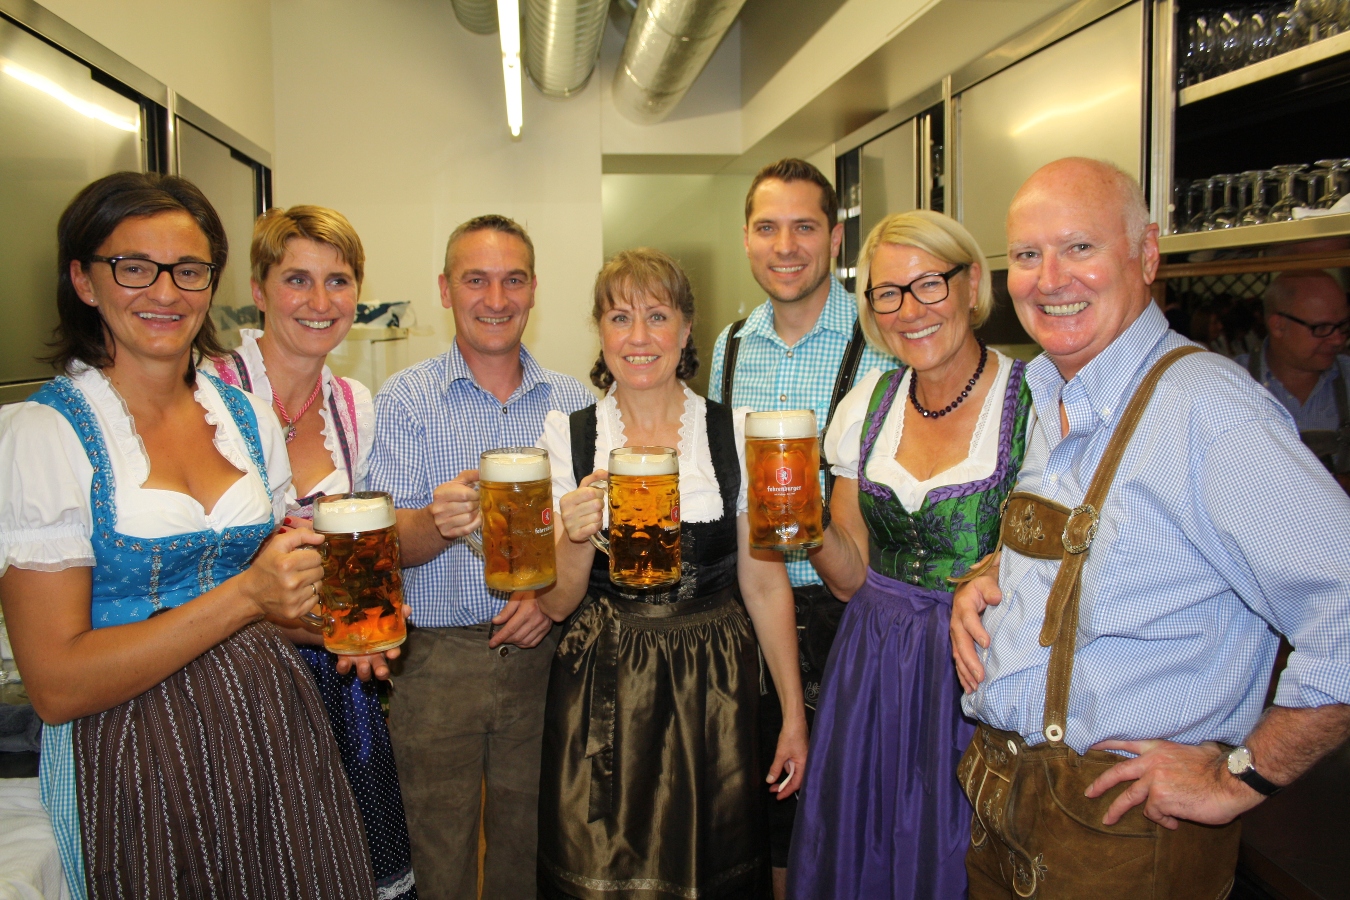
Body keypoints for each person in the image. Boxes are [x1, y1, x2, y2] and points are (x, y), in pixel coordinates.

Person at [950, 158, 1350, 899]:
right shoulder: (1055, 388)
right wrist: (991, 577)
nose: (1049, 279)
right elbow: (1120, 550)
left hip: (1122, 837)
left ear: (1146, 254)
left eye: (1079, 247)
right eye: (1028, 254)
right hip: (1009, 808)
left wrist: (1240, 775)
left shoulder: (1209, 411)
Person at [0, 172, 376, 899]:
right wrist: (248, 596)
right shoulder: (44, 436)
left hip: (271, 722)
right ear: (83, 280)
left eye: (189, 270)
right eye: (133, 267)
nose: (166, 292)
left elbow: (274, 602)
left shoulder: (245, 419)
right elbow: (55, 685)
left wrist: (344, 627)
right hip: (133, 750)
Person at [535, 247, 808, 899]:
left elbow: (764, 584)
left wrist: (793, 714)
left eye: (657, 316)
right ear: (600, 331)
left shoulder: (733, 432)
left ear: (686, 330)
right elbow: (556, 604)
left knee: (711, 865)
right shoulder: (569, 436)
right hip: (603, 686)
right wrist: (576, 537)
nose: (639, 337)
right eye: (620, 317)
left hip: (716, 686)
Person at [787, 210, 1030, 899]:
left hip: (977, 669)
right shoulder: (867, 404)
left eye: (929, 284)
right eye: (888, 293)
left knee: (957, 857)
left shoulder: (1038, 401)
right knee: (862, 846)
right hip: (873, 664)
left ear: (972, 284)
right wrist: (805, 525)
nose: (910, 311)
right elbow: (849, 578)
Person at [368, 214, 592, 900]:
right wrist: (434, 523)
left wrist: (547, 602)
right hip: (434, 664)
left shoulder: (576, 402)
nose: (496, 298)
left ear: (534, 290)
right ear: (445, 290)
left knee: (534, 853)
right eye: (476, 280)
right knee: (439, 855)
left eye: (513, 280)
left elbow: (594, 532)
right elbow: (384, 545)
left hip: (546, 658)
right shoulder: (405, 399)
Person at [207, 205, 416, 900]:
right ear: (259, 290)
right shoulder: (206, 391)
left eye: (339, 281)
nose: (321, 301)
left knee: (344, 865)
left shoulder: (353, 405)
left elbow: (364, 550)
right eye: (297, 279)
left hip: (334, 674)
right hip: (230, 674)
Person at [706, 158, 895, 893]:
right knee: (760, 822)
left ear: (836, 238)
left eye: (804, 227)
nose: (785, 246)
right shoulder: (728, 346)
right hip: (749, 613)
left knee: (846, 821)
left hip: (845, 616)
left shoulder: (883, 341)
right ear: (746, 238)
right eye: (767, 227)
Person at [1235, 271, 1350, 476]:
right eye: (1322, 328)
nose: (1338, 340)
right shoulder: (1230, 383)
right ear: (1278, 326)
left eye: (1342, 326)